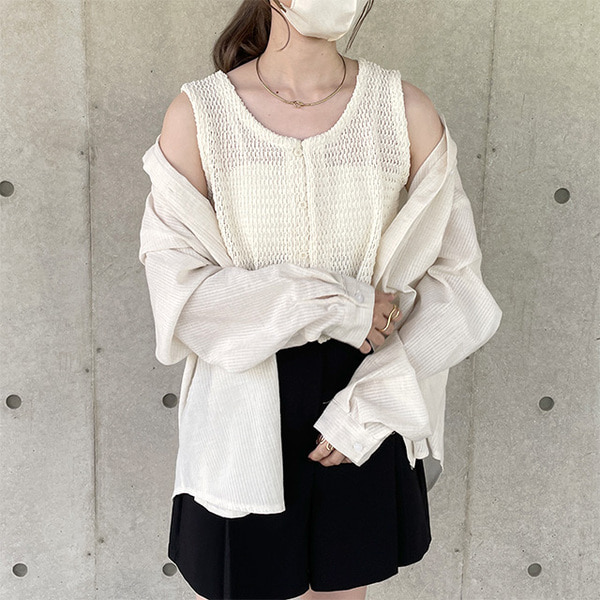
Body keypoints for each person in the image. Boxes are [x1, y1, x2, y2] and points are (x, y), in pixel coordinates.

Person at [144, 1, 473, 599]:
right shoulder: (199, 115)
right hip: (243, 403)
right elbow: (181, 297)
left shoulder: (403, 110)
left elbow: (459, 285)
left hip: (367, 389)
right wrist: (340, 306)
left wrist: (370, 410)